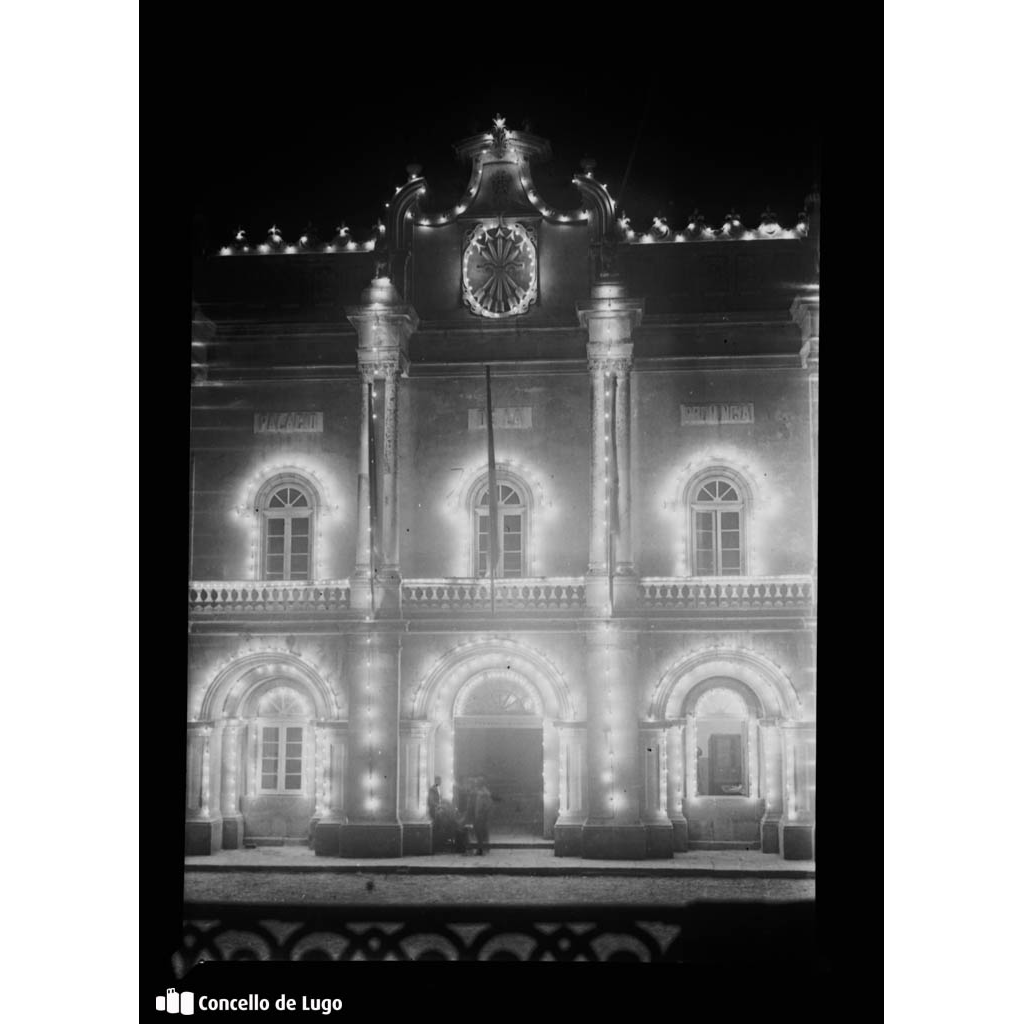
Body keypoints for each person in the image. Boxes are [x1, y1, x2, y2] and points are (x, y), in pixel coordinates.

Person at [473, 778, 493, 856]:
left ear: (481, 784)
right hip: (479, 815)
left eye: (477, 783)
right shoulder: (481, 792)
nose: (476, 784)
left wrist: (483, 814)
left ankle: (481, 849)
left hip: (482, 816)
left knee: (480, 833)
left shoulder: (485, 793)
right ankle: (484, 848)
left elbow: (487, 805)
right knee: (481, 833)